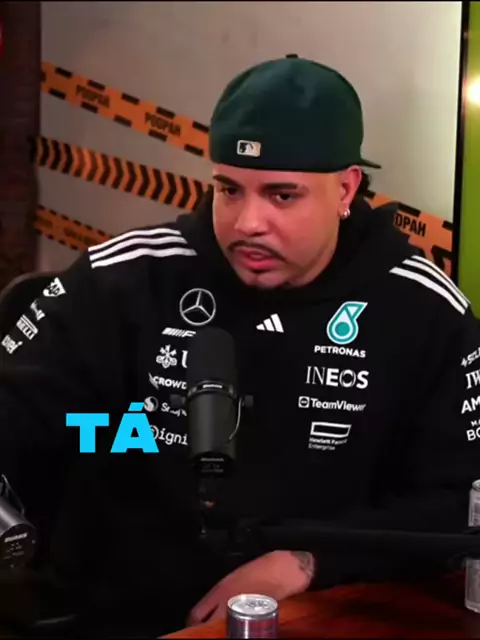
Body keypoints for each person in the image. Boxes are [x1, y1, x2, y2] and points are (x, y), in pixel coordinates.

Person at [1, 54, 480, 637]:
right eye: (229, 189)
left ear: (346, 188)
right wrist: (106, 433)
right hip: (120, 615)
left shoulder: (424, 310)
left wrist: (308, 563)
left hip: (332, 611)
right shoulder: (123, 278)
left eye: (282, 196)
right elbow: (21, 415)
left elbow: (459, 503)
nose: (247, 222)